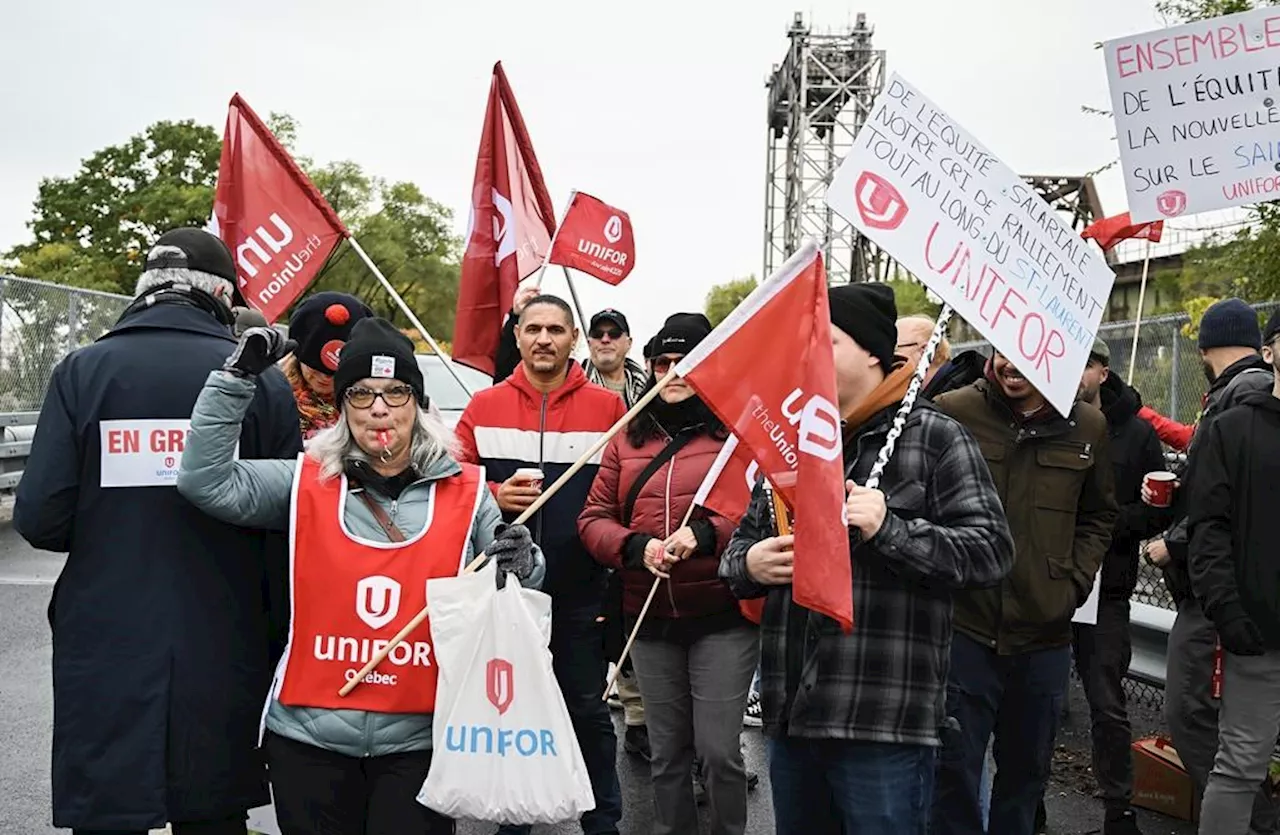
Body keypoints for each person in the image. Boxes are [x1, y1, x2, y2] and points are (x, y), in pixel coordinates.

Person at [176, 317, 542, 834]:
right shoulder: (305, 480)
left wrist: (524, 559)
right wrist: (236, 379)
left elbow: (519, 586)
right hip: (309, 739)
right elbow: (205, 482)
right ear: (341, 406)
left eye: (395, 393)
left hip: (419, 740)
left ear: (417, 402)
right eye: (361, 393)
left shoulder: (468, 490)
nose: (379, 408)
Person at [13, 228, 303, 835]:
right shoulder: (264, 382)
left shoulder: (83, 371)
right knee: (214, 806)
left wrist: (114, 526)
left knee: (110, 804)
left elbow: (40, 517)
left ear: (144, 288)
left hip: (108, 629)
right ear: (223, 294)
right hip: (228, 628)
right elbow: (289, 518)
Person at [720, 284, 1015, 834]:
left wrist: (890, 529)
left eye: (826, 342)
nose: (809, 357)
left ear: (874, 352)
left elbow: (990, 553)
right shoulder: (794, 439)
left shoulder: (935, 438)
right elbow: (737, 553)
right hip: (794, 718)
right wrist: (751, 565)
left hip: (882, 723)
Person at [579, 312, 758, 835]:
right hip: (649, 617)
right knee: (666, 752)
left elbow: (760, 512)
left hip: (723, 615)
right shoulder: (625, 438)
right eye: (664, 362)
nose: (674, 371)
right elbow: (593, 519)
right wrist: (636, 547)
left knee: (719, 751)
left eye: (688, 361)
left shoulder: (739, 434)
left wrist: (703, 535)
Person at [455, 294, 627, 835]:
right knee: (513, 709)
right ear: (519, 336)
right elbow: (452, 481)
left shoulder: (607, 409)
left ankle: (603, 821)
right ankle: (515, 819)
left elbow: (624, 486)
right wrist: (492, 491)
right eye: (533, 329)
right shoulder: (485, 406)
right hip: (506, 591)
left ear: (572, 338)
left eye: (555, 329)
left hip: (580, 588)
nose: (544, 339)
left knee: (586, 710)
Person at [932, 349, 1117, 835]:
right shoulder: (952, 410)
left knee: (1026, 778)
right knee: (951, 774)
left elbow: (1099, 514)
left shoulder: (1089, 425)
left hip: (1044, 636)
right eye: (1002, 350)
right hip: (964, 629)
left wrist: (1073, 582)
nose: (1012, 364)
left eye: (1026, 353)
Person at [1146, 298, 1276, 832]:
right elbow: (1216, 508)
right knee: (1237, 753)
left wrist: (1177, 546)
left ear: (1204, 347)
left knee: (1201, 724)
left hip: (1234, 610)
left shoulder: (1238, 397)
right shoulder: (1238, 411)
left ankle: (1262, 823)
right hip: (1246, 617)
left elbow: (1215, 516)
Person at [1067, 339, 1172, 835]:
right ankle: (1028, 807)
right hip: (1045, 584)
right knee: (1035, 700)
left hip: (1106, 590)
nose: (1077, 373)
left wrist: (1100, 526)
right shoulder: (1046, 417)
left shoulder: (1137, 434)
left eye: (1086, 364)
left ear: (1104, 372)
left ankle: (1118, 813)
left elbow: (1158, 508)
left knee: (1107, 704)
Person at [1186, 309, 1280, 835]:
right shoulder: (1234, 429)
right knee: (1242, 766)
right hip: (1259, 637)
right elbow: (1210, 530)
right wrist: (1230, 613)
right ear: (1267, 352)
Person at [279, 291, 375, 441]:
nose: (325, 377)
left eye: (335, 373)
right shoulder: (275, 400)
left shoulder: (375, 409)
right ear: (298, 359)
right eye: (315, 369)